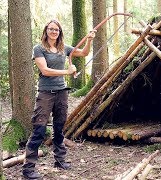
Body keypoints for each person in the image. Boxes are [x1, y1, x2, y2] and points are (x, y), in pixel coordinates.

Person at [22, 19, 96, 179]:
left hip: (62, 92)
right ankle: (28, 169)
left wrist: (89, 40)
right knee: (39, 130)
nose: (54, 32)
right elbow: (45, 71)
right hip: (46, 93)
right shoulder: (39, 49)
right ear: (46, 31)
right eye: (51, 29)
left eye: (56, 29)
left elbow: (83, 53)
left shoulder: (64, 48)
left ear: (59, 32)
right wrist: (67, 72)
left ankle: (60, 160)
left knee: (59, 128)